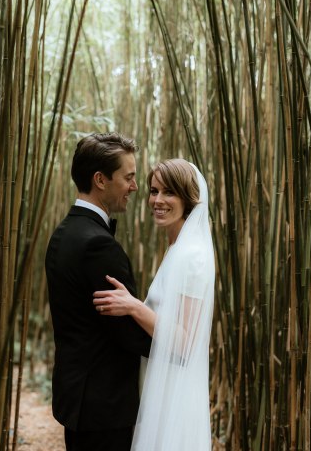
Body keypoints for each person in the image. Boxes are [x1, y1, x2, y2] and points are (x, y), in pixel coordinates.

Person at [93, 159, 215, 450]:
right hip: (160, 385)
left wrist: (134, 307)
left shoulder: (193, 257)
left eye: (169, 192)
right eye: (154, 191)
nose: (157, 200)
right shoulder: (177, 248)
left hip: (175, 396)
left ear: (189, 199)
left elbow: (185, 342)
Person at [45, 133, 152, 451]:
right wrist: (175, 337)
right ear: (100, 180)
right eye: (129, 177)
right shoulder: (98, 245)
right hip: (104, 408)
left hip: (78, 400)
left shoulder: (63, 233)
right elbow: (129, 334)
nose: (134, 187)